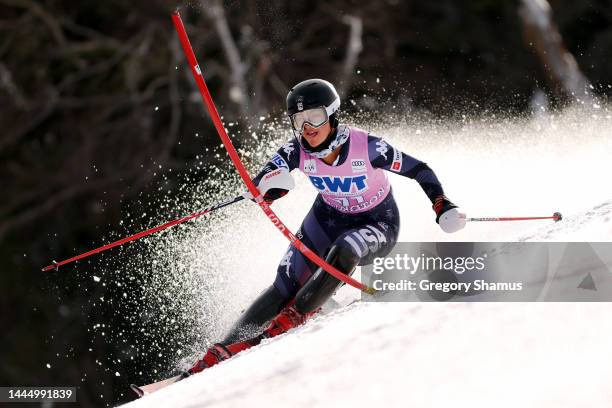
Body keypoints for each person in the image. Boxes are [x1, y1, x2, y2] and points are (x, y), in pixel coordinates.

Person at [187, 79, 465, 374]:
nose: (308, 127)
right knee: (284, 284)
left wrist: (441, 203)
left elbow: (419, 169)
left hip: (377, 222)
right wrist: (267, 188)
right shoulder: (297, 150)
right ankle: (221, 350)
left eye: (315, 116)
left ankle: (296, 315)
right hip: (327, 217)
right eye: (299, 119)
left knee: (346, 247)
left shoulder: (368, 147)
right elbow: (271, 175)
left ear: (332, 115)